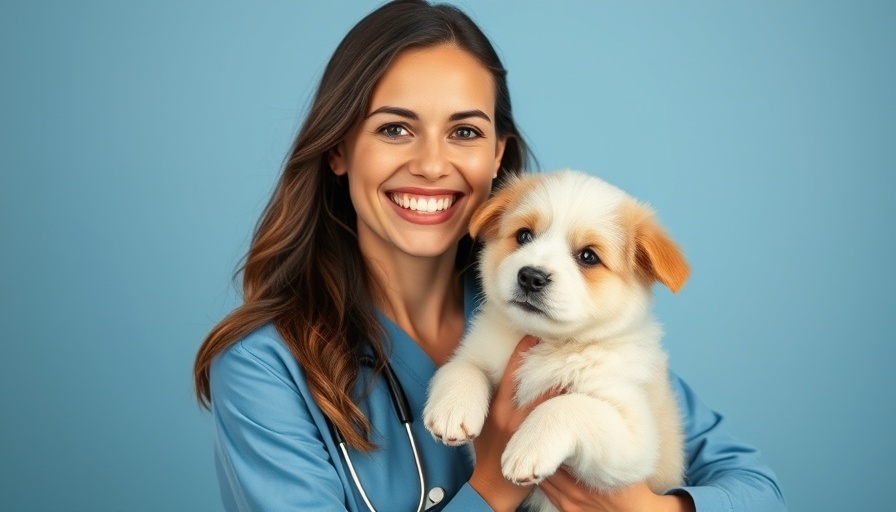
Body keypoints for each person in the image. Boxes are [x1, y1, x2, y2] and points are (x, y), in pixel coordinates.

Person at [193, 1, 786, 511]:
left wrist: (646, 509)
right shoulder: (264, 367)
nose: (431, 164)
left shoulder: (556, 319)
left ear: (498, 159)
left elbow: (758, 490)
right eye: (395, 129)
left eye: (465, 131)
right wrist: (494, 485)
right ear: (339, 148)